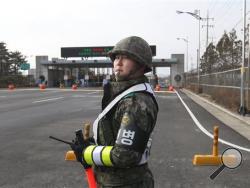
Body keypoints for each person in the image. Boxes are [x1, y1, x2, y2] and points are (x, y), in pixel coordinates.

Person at [75, 36, 158, 187]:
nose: (118, 63)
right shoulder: (124, 95)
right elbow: (114, 138)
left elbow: (125, 155)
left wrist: (88, 152)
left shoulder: (136, 102)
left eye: (126, 58)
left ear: (140, 63)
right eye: (116, 57)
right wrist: (94, 144)